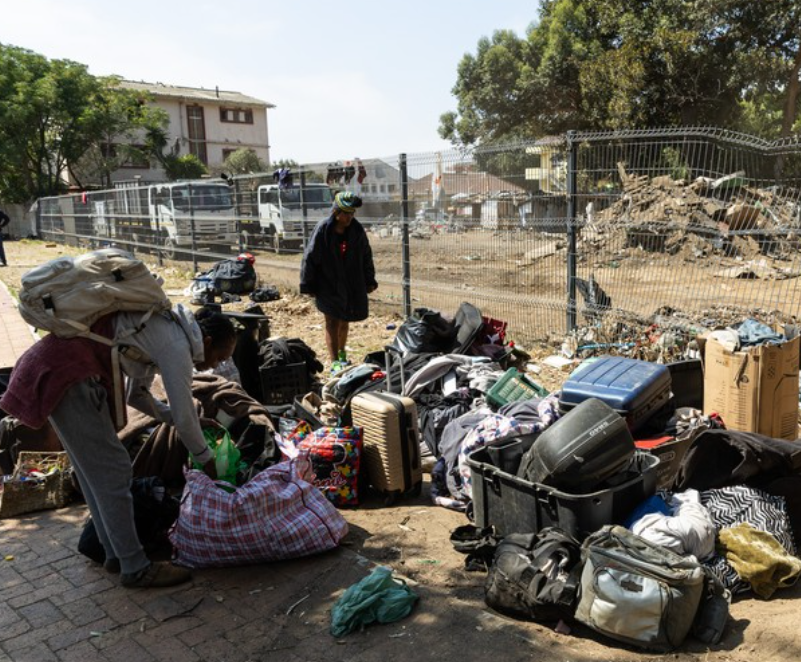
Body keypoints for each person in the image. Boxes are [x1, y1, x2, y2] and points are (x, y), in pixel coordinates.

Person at [0, 305, 237, 588]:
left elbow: (136, 395)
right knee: (114, 472)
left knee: (92, 473)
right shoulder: (177, 344)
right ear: (207, 342)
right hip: (68, 375)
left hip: (55, 369)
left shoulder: (164, 329)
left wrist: (183, 421)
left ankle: (114, 554)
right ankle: (135, 567)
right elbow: (185, 417)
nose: (215, 366)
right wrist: (206, 459)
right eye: (219, 358)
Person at [300, 191, 377, 363]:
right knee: (332, 321)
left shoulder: (356, 230)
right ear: (336, 212)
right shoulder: (323, 230)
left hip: (349, 283)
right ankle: (335, 362)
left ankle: (342, 355)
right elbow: (310, 257)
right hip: (327, 283)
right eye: (346, 213)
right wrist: (307, 283)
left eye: (352, 213)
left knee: (344, 319)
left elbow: (366, 255)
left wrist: (369, 280)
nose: (350, 217)